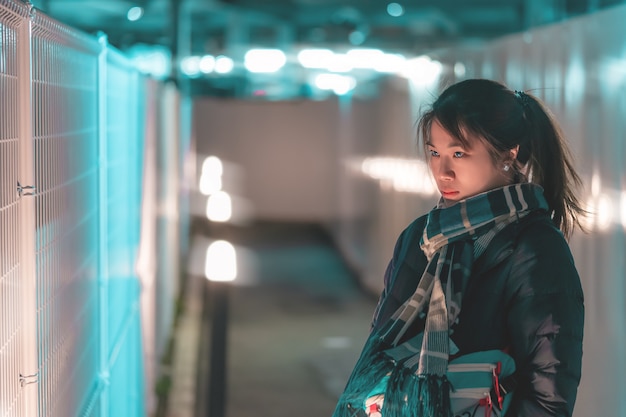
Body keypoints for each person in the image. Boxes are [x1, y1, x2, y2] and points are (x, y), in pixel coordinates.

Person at [332, 79, 585, 417]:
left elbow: (548, 392)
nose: (443, 171)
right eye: (435, 152)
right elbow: (382, 346)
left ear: (509, 153)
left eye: (459, 153)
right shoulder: (420, 236)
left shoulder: (534, 248)